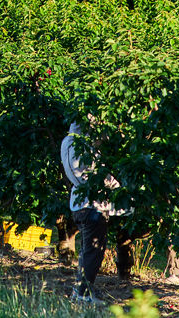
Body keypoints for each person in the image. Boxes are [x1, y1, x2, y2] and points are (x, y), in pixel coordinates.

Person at [61, 121, 132, 304]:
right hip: (91, 206)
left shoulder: (67, 143)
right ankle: (84, 293)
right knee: (93, 252)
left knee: (88, 251)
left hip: (79, 205)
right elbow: (93, 177)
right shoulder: (81, 147)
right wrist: (121, 194)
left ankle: (82, 290)